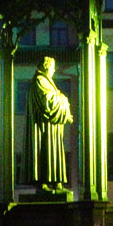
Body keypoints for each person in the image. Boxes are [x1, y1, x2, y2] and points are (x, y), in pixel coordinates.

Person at [29, 55, 73, 194]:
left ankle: (57, 182)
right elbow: (47, 102)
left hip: (53, 127)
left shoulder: (46, 81)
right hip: (44, 128)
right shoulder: (39, 81)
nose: (54, 70)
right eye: (53, 67)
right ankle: (43, 183)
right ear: (47, 67)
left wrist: (61, 100)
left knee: (55, 152)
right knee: (45, 152)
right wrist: (64, 100)